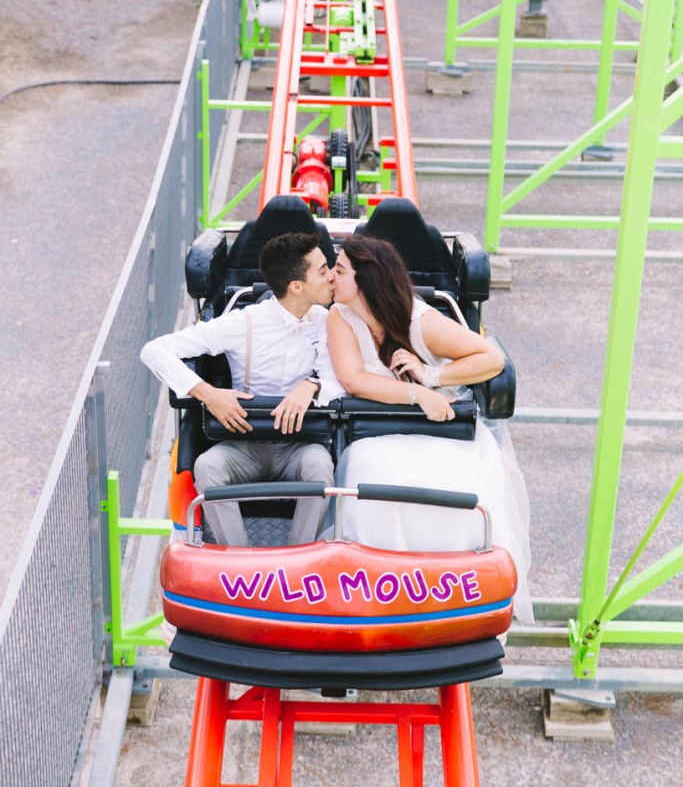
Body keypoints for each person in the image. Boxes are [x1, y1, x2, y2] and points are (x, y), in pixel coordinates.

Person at [327, 234, 533, 623]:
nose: (331, 279)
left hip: (441, 434)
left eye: (339, 271)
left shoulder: (417, 320)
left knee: (459, 483)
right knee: (369, 470)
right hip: (382, 434)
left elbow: (491, 358)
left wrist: (432, 375)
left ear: (366, 279)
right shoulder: (341, 317)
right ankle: (383, 590)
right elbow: (354, 380)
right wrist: (415, 394)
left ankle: (454, 593)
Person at [141, 231, 343, 547]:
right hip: (246, 443)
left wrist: (312, 385)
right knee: (207, 466)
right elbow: (154, 351)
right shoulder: (242, 323)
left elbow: (341, 379)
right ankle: (239, 560)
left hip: (299, 445)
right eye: (322, 270)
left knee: (320, 466)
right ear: (296, 287)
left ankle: (298, 558)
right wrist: (208, 393)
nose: (332, 275)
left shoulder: (326, 320)